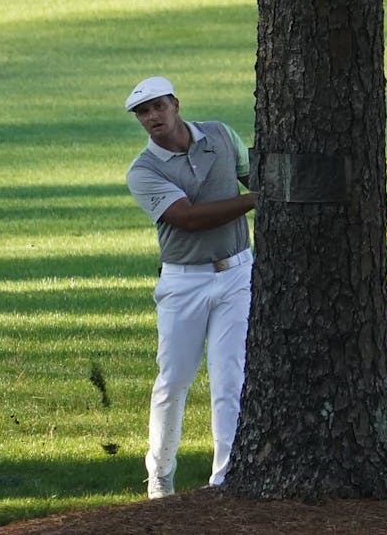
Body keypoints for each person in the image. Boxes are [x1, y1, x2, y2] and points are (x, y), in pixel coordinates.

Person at [123, 75, 256, 499]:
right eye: (143, 113)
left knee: (229, 375)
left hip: (237, 272)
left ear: (175, 104)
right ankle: (160, 475)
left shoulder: (220, 134)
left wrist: (266, 188)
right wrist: (260, 199)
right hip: (184, 282)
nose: (151, 117)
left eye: (157, 106)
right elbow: (189, 218)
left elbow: (252, 174)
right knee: (175, 378)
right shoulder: (143, 171)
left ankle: (225, 476)